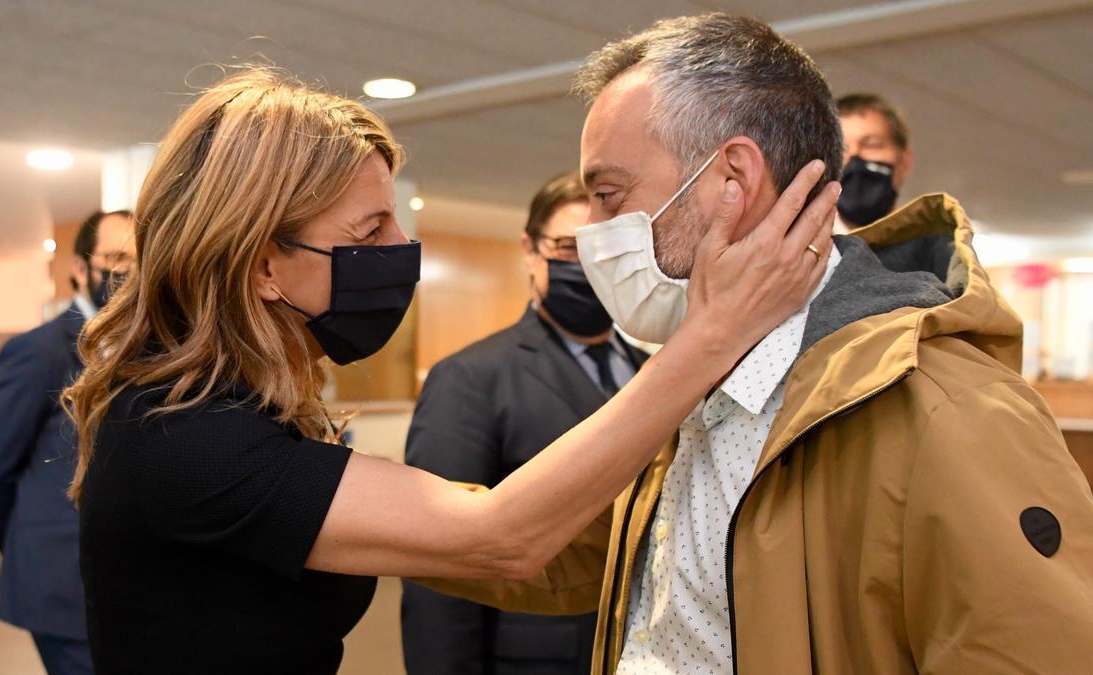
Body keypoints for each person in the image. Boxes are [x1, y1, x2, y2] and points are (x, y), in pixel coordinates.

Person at [64, 68, 838, 674]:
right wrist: (711, 338)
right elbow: (500, 535)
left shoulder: (241, 409)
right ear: (265, 264)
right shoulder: (182, 435)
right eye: (371, 230)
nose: (403, 248)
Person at [420, 13, 1093, 674]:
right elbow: (577, 555)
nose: (595, 232)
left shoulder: (943, 408)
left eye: (609, 194)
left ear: (733, 180)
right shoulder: (700, 373)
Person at [402, 172, 648, 675]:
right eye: (566, 247)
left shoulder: (654, 373)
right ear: (530, 250)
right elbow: (437, 562)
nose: (587, 265)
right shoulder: (470, 378)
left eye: (606, 250)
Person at [0, 209, 135, 675]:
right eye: (117, 258)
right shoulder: (38, 351)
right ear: (81, 269)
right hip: (62, 582)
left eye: (141, 262)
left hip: (129, 585)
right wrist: (29, 541)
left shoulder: (144, 348)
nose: (130, 275)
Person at [835, 93, 915, 232]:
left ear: (904, 163)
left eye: (872, 145)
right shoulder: (798, 248)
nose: (854, 156)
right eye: (841, 148)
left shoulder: (940, 248)